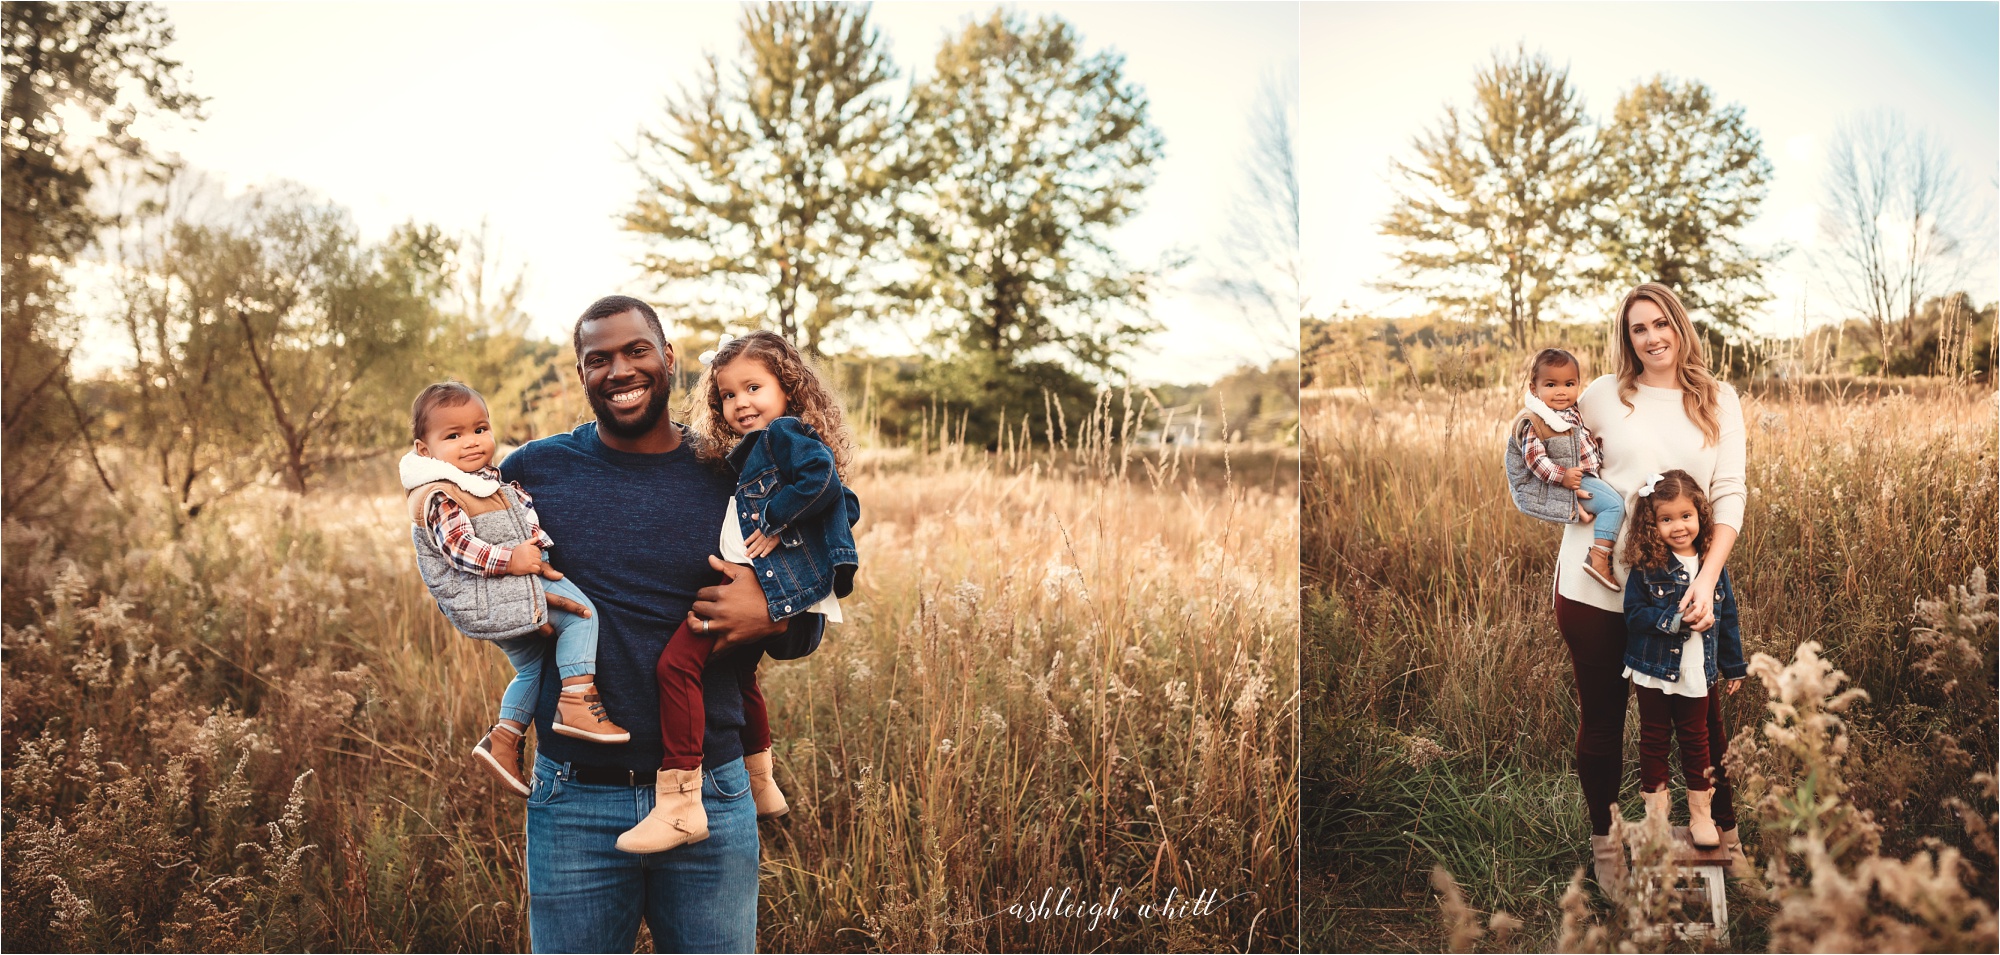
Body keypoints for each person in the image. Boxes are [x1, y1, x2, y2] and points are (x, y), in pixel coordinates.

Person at [501, 295, 826, 952]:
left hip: (713, 790)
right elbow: (479, 590)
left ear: (669, 359)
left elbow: (807, 626)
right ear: (582, 372)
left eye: (636, 350)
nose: (619, 369)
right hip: (574, 798)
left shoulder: (737, 471)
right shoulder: (532, 472)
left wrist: (766, 615)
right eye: (599, 359)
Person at [617, 331, 859, 853]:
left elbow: (824, 485)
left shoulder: (786, 436)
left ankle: (680, 802)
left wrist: (776, 518)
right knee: (741, 675)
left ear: (788, 390)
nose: (740, 403)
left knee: (675, 667)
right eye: (728, 395)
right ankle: (761, 782)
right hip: (759, 584)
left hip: (762, 586)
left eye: (754, 388)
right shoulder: (761, 446)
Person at [1553, 283, 1747, 890]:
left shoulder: (1719, 399)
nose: (1652, 337)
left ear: (1680, 326)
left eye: (1661, 323)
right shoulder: (1602, 395)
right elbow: (1550, 447)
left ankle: (1728, 838)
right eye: (1638, 328)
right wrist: (1567, 500)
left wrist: (1707, 581)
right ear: (1626, 337)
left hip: (1686, 586)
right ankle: (1607, 848)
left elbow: (1729, 493)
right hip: (1599, 582)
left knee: (1704, 716)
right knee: (1604, 719)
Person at [399, 381, 630, 799]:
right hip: (505, 583)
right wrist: (514, 560)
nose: (471, 442)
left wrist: (537, 543)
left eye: (479, 429)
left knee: (533, 667)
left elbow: (523, 522)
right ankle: (577, 700)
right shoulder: (441, 493)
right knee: (583, 615)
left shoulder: (485, 482)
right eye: (453, 436)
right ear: (424, 449)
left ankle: (504, 737)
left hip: (508, 587)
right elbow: (458, 548)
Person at [1619, 469, 1745, 850]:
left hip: (1696, 672)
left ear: (1700, 516)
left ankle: (1701, 814)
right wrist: (1670, 620)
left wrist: (1734, 665)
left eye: (1685, 516)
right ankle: (1656, 817)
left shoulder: (1711, 566)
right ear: (1651, 524)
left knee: (1696, 741)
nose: (1678, 526)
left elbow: (1728, 618)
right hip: (1653, 670)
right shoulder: (1647, 568)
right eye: (1666, 519)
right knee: (1654, 740)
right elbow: (1634, 615)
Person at [1505, 347, 1624, 590]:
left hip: (1584, 475)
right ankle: (1599, 557)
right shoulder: (1536, 420)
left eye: (1569, 384)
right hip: (1575, 480)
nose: (1561, 391)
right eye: (1551, 385)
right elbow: (1534, 459)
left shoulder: (1571, 412)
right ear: (1533, 389)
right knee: (1614, 505)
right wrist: (1563, 477)